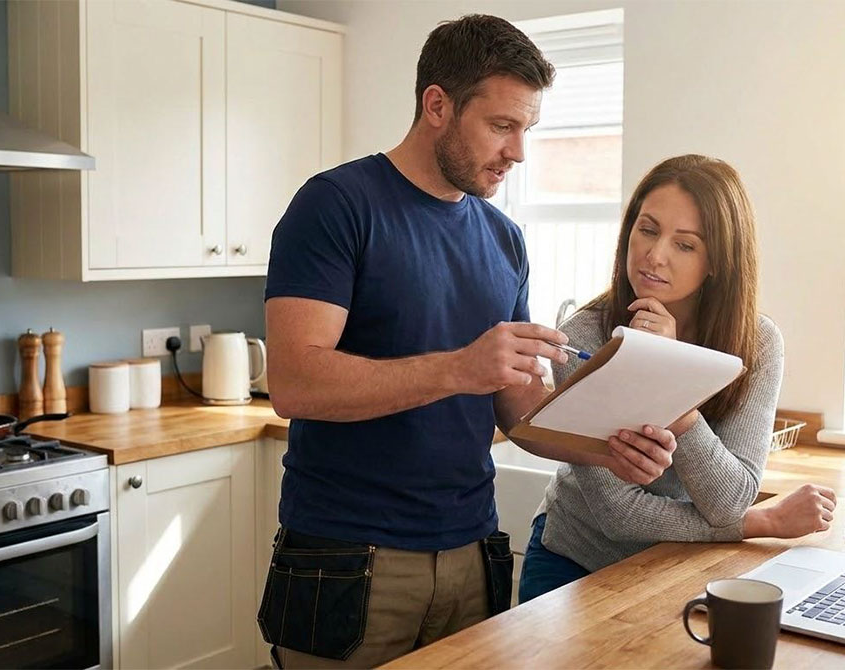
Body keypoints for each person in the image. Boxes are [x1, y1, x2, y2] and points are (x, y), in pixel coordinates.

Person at [259, 15, 678, 669]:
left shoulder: (503, 238)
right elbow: (294, 382)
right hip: (349, 558)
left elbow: (519, 414)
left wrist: (607, 450)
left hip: (471, 552)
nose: (518, 152)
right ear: (437, 105)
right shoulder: (337, 205)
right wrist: (457, 368)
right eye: (502, 126)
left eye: (526, 130)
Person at [518, 154, 839, 603]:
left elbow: (730, 499)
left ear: (716, 262)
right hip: (574, 566)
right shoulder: (583, 335)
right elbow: (620, 516)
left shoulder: (758, 343)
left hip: (677, 564)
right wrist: (760, 524)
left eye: (685, 245)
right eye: (647, 230)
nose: (655, 254)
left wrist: (672, 376)